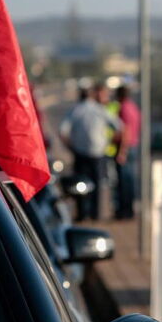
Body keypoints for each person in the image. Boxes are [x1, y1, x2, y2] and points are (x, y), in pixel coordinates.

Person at [60, 84, 120, 221]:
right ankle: (95, 214)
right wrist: (109, 143)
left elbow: (62, 132)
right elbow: (119, 128)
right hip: (98, 154)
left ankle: (82, 213)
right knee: (97, 185)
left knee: (80, 185)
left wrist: (72, 147)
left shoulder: (76, 110)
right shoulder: (101, 110)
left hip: (80, 154)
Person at [113, 85, 140, 219]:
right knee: (129, 181)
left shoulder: (123, 108)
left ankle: (125, 211)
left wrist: (122, 152)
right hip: (133, 146)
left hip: (126, 147)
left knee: (124, 182)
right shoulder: (133, 107)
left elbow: (126, 131)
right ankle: (129, 210)